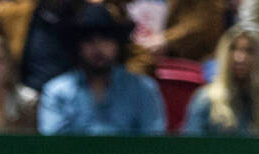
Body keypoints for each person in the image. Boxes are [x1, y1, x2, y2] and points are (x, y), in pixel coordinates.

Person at [38, 3, 165, 135]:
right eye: (89, 41)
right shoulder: (57, 92)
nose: (98, 48)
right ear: (78, 47)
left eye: (105, 40)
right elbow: (53, 146)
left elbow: (153, 142)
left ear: (117, 45)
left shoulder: (143, 89)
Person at [182, 23, 259, 135]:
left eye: (249, 51)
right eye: (233, 49)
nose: (239, 58)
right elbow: (190, 148)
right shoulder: (206, 101)